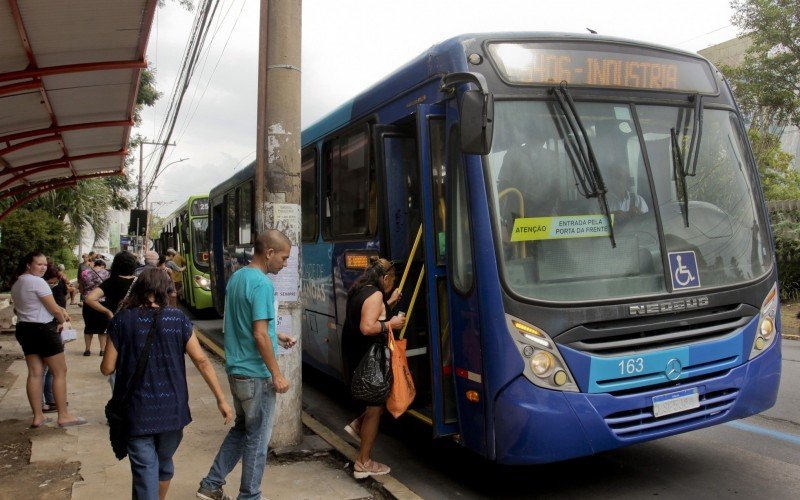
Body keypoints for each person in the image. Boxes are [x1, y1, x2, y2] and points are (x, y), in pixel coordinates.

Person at [101, 268, 233, 500]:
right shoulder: (178, 319)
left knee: (145, 469)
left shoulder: (122, 320)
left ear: (140, 288)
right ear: (166, 289)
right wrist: (221, 399)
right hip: (173, 409)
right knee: (163, 462)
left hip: (137, 410)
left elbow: (107, 368)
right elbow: (202, 361)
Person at [197, 230, 296, 500]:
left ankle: (211, 484)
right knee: (257, 440)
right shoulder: (262, 284)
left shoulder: (238, 277)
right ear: (269, 253)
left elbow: (247, 324)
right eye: (284, 258)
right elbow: (259, 333)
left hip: (237, 371)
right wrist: (277, 374)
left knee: (242, 429)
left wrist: (279, 335)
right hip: (257, 375)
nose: (285, 264)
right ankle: (249, 496)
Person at [341, 257, 405, 479]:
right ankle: (363, 462)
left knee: (376, 404)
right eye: (392, 280)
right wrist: (392, 324)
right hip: (368, 361)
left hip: (357, 356)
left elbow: (373, 312)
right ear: (385, 277)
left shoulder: (361, 289)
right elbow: (367, 327)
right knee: (376, 408)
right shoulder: (376, 294)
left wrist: (391, 303)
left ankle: (358, 424)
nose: (391, 285)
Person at [10, 252, 86, 428]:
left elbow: (22, 307)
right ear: (29, 264)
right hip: (43, 329)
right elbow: (54, 309)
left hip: (24, 328)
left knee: (35, 372)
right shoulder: (37, 282)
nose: (43, 267)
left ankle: (38, 416)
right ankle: (63, 415)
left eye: (45, 264)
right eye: (39, 264)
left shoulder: (18, 282)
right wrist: (62, 321)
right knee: (60, 372)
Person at [42, 265, 68, 412]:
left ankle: (46, 402)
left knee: (40, 371)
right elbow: (54, 309)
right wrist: (61, 319)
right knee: (56, 370)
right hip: (48, 330)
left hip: (32, 330)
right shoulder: (41, 287)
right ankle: (54, 402)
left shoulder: (23, 285)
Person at [80, 259, 110, 356]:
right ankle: (102, 350)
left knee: (88, 326)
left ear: (94, 265)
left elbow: (81, 287)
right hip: (102, 302)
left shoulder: (85, 273)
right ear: (102, 265)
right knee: (103, 327)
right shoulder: (106, 273)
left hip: (88, 301)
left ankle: (87, 349)